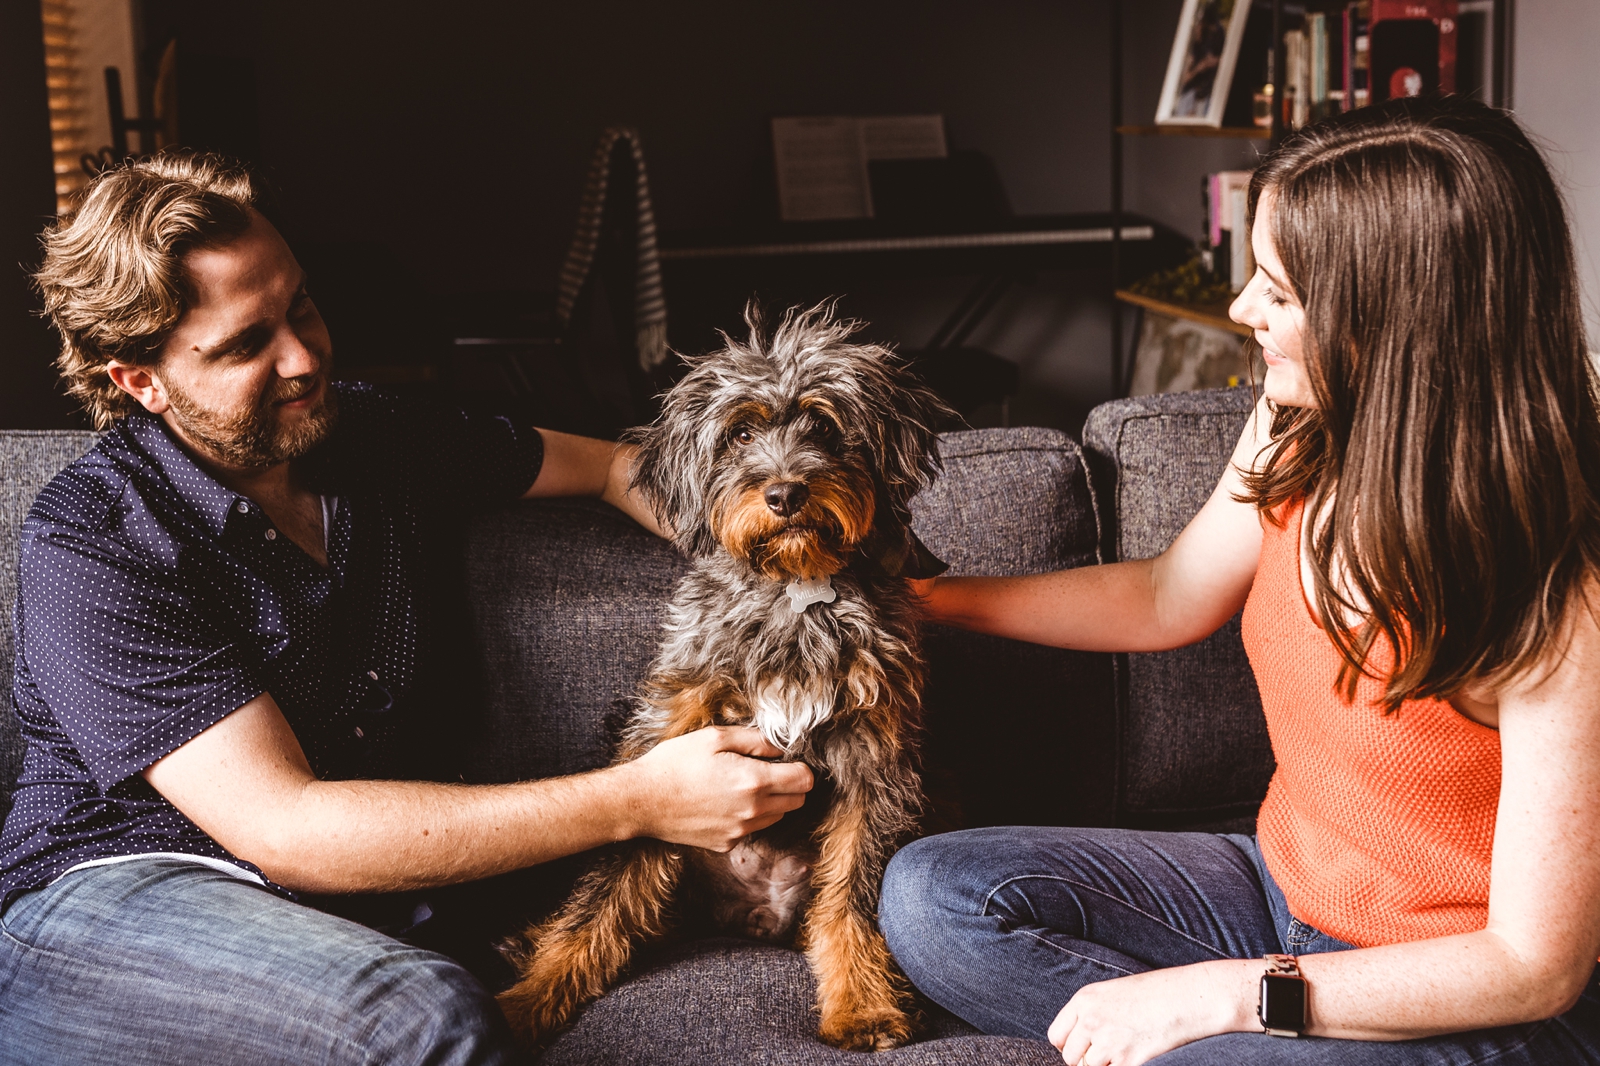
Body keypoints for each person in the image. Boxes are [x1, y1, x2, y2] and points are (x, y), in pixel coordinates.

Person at [0, 151, 813, 1066]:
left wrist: (800, 573)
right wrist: (640, 800)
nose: (305, 359)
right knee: (427, 1019)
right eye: (243, 345)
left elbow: (626, 467)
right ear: (138, 381)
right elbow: (288, 828)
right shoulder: (96, 540)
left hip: (338, 917)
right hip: (113, 904)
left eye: (299, 306)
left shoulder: (375, 435)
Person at [880, 96, 1600, 1065]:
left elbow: (1531, 964)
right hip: (1278, 891)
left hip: (1463, 1000)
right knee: (929, 895)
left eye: (1278, 290)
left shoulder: (1560, 598)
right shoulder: (1299, 425)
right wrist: (925, 602)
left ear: (1389, 319)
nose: (1239, 311)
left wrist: (1225, 994)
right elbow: (1166, 595)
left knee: (1219, 1042)